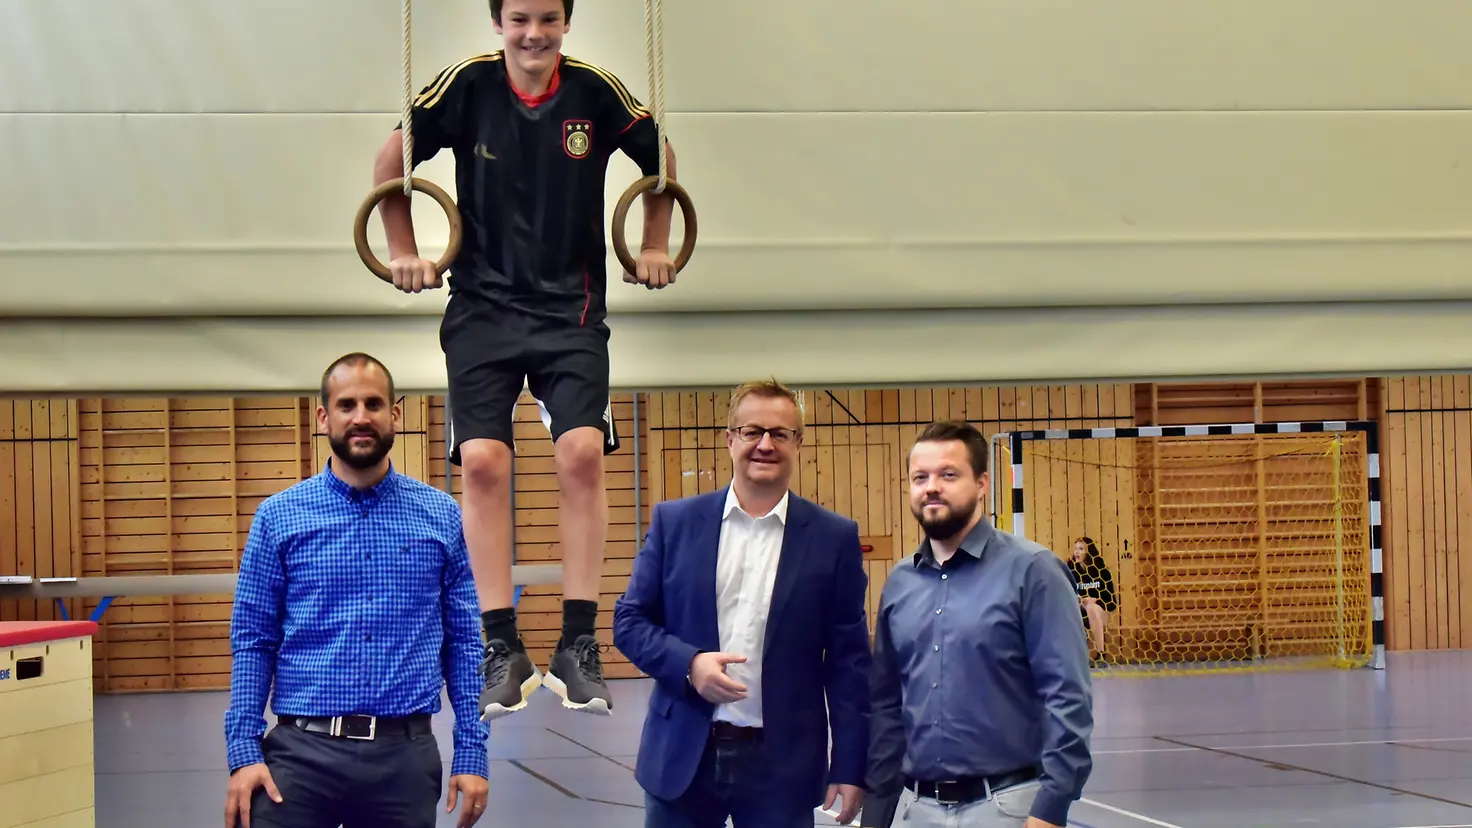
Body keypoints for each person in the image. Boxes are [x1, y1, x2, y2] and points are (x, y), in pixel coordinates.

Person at [370, 0, 680, 718]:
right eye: (519, 18)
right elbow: (391, 160)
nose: (533, 33)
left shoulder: (595, 91)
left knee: (580, 453)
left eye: (547, 18)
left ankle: (577, 641)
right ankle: (499, 643)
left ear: (566, 22)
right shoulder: (467, 86)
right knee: (482, 462)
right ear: (498, 23)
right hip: (481, 308)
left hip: (568, 312)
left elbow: (659, 160)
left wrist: (656, 241)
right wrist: (403, 250)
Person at [223, 353, 489, 828]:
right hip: (298, 759)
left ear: (396, 415)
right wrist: (244, 752)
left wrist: (471, 751)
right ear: (324, 417)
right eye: (346, 405)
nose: (361, 416)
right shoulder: (278, 517)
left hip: (403, 759)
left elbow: (466, 643)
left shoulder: (441, 516)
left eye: (373, 403)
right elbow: (253, 640)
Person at [612, 379, 872, 827]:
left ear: (798, 443)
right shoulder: (675, 523)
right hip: (682, 760)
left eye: (780, 433)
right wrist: (690, 665)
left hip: (783, 768)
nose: (765, 444)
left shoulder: (834, 539)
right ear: (730, 439)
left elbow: (849, 663)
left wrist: (850, 765)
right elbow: (630, 621)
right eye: (752, 432)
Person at [862, 421, 1093, 828]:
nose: (932, 486)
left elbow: (1067, 695)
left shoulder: (1033, 571)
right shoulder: (899, 583)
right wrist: (878, 812)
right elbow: (886, 707)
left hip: (1007, 808)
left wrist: (1051, 806)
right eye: (921, 477)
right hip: (915, 810)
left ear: (982, 483)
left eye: (948, 475)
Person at [1069, 536, 1118, 665]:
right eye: (1075, 549)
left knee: (1091, 608)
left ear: (1088, 552)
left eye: (1081, 549)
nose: (1076, 552)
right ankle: (1079, 656)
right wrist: (1079, 600)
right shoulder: (1071, 571)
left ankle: (1101, 654)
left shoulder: (1102, 571)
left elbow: (1111, 601)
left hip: (1100, 611)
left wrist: (1095, 600)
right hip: (1078, 611)